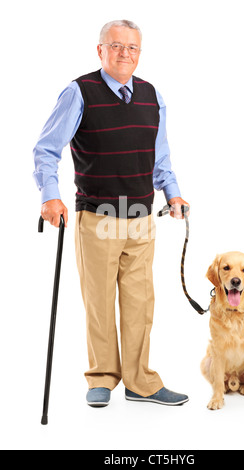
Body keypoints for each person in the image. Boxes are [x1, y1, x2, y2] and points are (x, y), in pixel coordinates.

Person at [33, 19, 190, 407]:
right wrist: (50, 196)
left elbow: (161, 155)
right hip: (98, 216)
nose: (124, 53)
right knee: (100, 301)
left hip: (141, 216)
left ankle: (140, 382)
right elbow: (46, 150)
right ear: (100, 50)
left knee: (140, 303)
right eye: (116, 46)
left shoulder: (153, 96)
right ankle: (101, 377)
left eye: (132, 48)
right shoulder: (79, 92)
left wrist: (173, 194)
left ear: (140, 53)